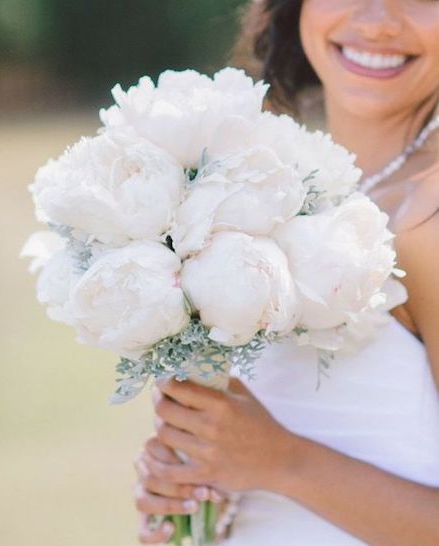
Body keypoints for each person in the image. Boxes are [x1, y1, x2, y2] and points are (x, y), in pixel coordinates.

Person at [134, 0, 439, 544]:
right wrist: (197, 485)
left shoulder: (429, 216)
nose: (376, 18)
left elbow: (276, 457)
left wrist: (281, 462)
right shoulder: (272, 190)